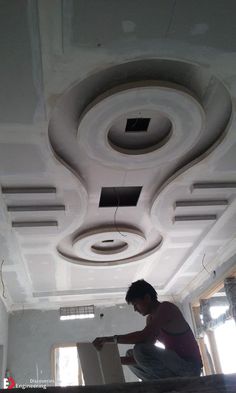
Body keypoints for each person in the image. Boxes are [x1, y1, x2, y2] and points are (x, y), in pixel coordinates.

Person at [93, 279, 202, 381]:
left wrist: (108, 339)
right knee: (131, 353)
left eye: (136, 304)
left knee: (139, 349)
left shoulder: (166, 308)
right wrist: (116, 361)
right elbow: (144, 358)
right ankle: (159, 384)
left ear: (147, 298)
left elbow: (143, 337)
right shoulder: (150, 319)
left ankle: (164, 383)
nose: (135, 309)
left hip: (190, 368)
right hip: (175, 367)